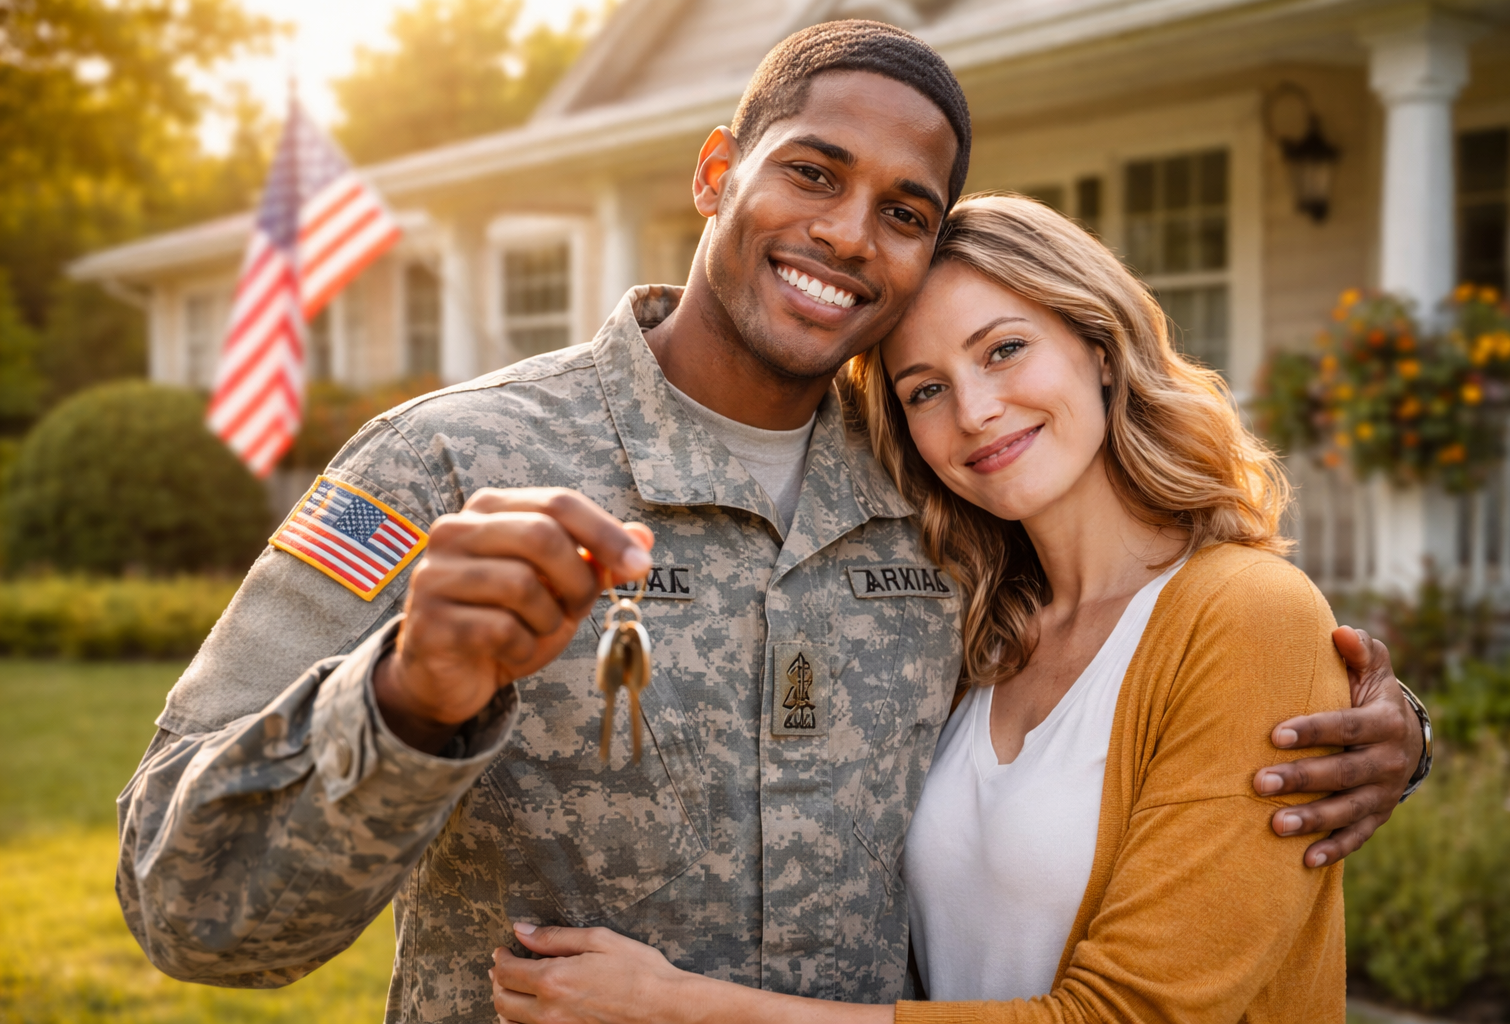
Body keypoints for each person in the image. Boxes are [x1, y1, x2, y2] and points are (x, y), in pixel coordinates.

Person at [115, 22, 1425, 1024]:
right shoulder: (448, 461)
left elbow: (1141, 654)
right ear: (715, 173)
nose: (849, 234)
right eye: (813, 171)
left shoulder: (938, 490)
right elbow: (189, 909)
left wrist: (1375, 726)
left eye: (905, 214)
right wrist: (404, 701)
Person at [485, 193, 1369, 1023]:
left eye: (1004, 349)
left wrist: (676, 1006)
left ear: (1100, 348)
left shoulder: (1248, 612)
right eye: (925, 390)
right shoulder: (973, 623)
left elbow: (1131, 1014)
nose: (977, 412)